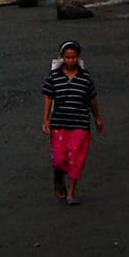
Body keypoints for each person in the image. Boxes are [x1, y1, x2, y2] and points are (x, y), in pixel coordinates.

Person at [42, 40, 104, 205]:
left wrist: (97, 118)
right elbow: (48, 97)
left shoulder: (85, 78)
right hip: (59, 123)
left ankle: (71, 194)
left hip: (80, 123)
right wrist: (46, 119)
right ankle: (58, 177)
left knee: (76, 158)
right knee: (60, 158)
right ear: (62, 58)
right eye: (68, 57)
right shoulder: (54, 76)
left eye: (74, 57)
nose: (71, 60)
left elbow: (92, 99)